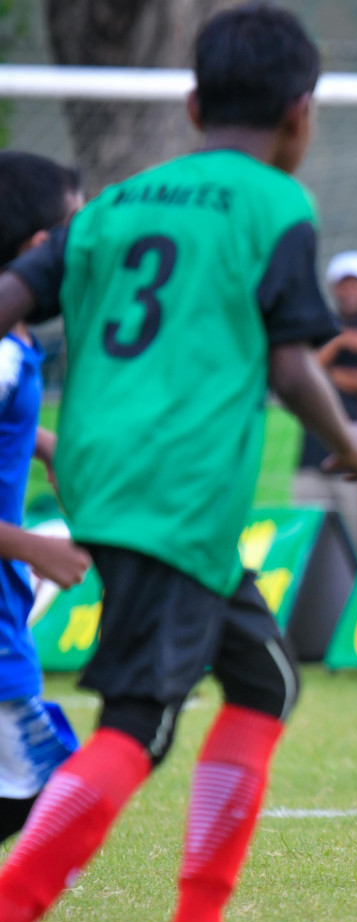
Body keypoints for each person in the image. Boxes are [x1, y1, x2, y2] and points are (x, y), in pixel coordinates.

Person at [0, 7, 357, 922]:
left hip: (123, 483)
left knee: (262, 678)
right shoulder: (275, 204)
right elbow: (297, 362)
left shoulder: (113, 206)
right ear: (301, 114)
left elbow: (12, 294)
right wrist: (354, 444)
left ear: (190, 101)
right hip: (177, 490)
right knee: (138, 723)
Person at [0, 153, 91, 847]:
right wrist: (33, 546)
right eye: (77, 231)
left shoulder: (17, 338)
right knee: (43, 791)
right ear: (40, 248)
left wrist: (44, 442)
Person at [290, 248, 357, 548]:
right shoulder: (313, 327)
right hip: (311, 457)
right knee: (304, 543)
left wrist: (343, 377)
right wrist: (339, 342)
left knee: (351, 544)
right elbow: (302, 369)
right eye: (344, 284)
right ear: (333, 287)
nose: (350, 291)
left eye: (356, 283)